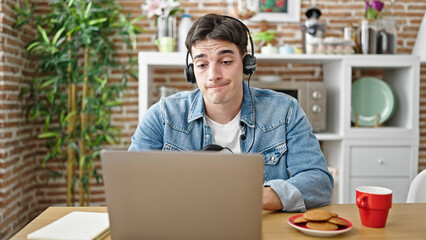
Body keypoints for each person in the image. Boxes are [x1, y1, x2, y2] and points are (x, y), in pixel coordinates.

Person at [129, 13, 333, 212]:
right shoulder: (161, 116)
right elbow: (132, 183)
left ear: (246, 63)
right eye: (201, 65)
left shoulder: (286, 111)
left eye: (225, 62)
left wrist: (251, 198)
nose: (213, 75)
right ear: (191, 71)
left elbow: (318, 181)